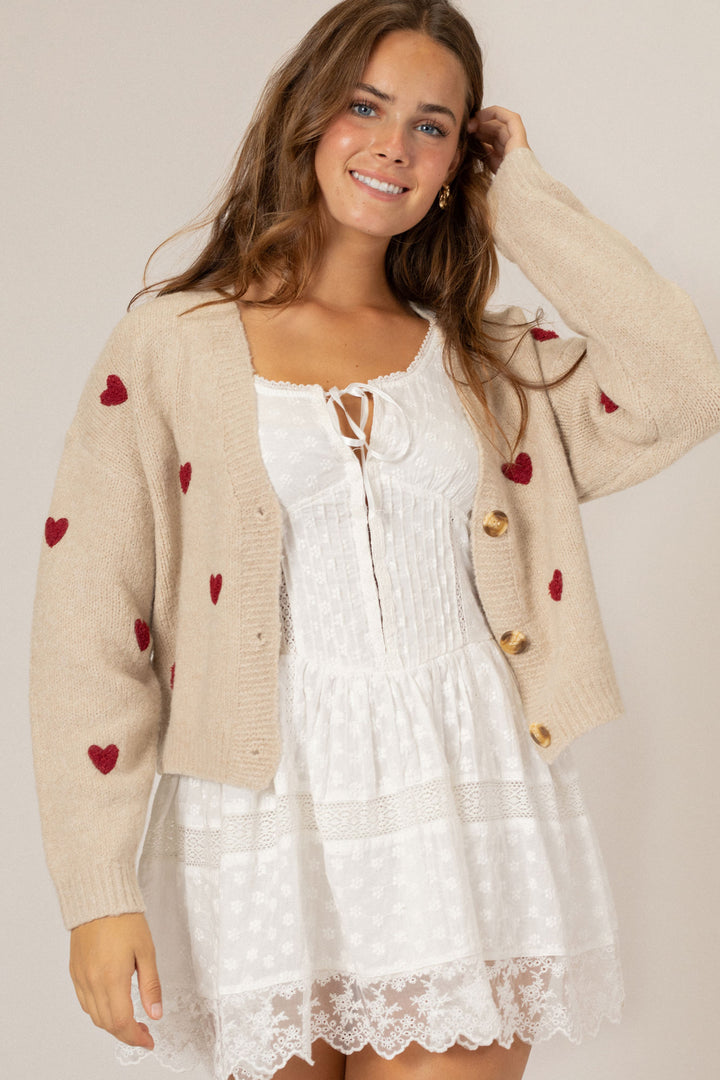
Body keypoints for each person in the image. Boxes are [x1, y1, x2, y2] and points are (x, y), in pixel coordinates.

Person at [28, 1, 720, 1079]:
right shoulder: (170, 346)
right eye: (366, 106)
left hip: (461, 799)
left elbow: (683, 382)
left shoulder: (485, 363)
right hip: (261, 812)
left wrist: (519, 192)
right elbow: (89, 621)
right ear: (309, 116)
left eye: (433, 126)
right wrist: (96, 886)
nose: (394, 144)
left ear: (457, 163)